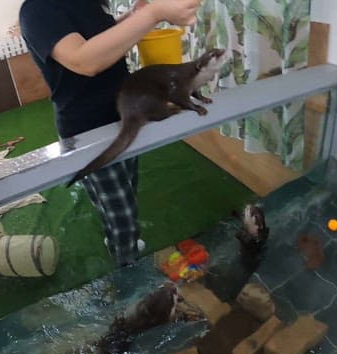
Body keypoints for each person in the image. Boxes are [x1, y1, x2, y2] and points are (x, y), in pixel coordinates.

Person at [19, 0, 201, 266]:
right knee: (124, 217)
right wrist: (154, 13)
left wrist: (132, 18)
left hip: (122, 115)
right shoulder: (37, 10)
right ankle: (127, 268)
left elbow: (98, 39)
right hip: (87, 128)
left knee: (125, 190)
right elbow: (84, 60)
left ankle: (116, 238)